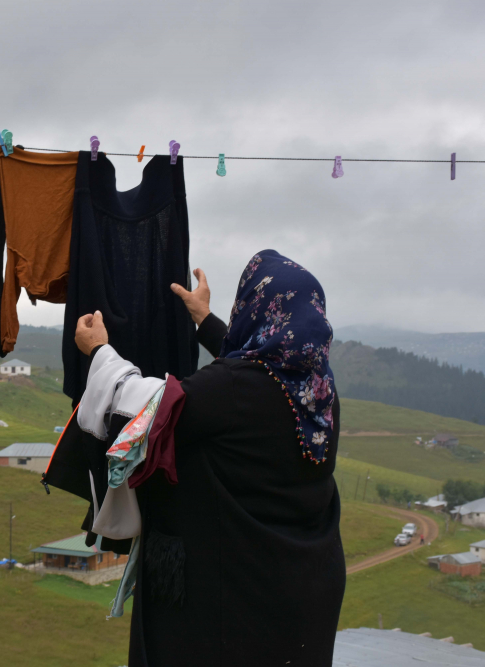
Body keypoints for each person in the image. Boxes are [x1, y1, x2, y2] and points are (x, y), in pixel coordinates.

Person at [74, 249, 345, 667]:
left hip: (230, 602)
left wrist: (100, 354)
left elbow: (149, 409)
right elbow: (253, 369)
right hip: (298, 600)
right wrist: (205, 320)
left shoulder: (234, 389)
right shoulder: (317, 392)